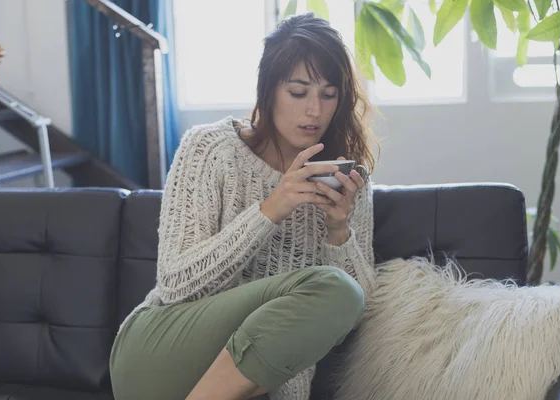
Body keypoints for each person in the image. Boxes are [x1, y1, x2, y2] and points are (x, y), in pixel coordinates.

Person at [109, 12, 378, 400]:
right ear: (268, 91)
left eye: (329, 94)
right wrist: (271, 209)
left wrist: (339, 230)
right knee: (331, 286)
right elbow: (176, 284)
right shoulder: (209, 148)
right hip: (158, 351)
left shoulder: (348, 180)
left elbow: (352, 311)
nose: (314, 111)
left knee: (341, 291)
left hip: (255, 385)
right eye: (299, 92)